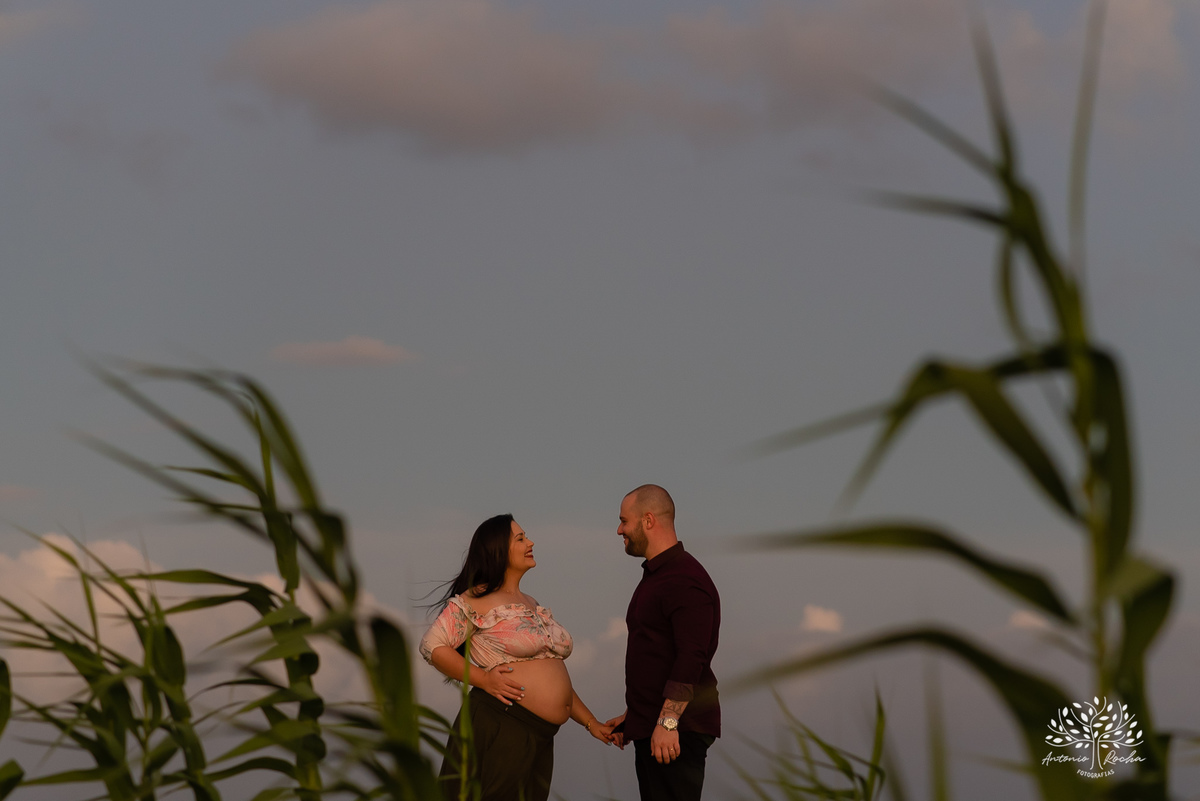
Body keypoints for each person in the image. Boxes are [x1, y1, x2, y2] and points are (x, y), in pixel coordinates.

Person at [419, 513, 614, 801]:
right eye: (520, 538)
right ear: (498, 549)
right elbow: (432, 646)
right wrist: (484, 679)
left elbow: (552, 674)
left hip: (542, 735)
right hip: (503, 722)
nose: (530, 542)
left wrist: (590, 722)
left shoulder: (532, 604)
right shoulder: (475, 600)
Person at [604, 485, 721, 801]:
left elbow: (691, 657)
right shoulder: (657, 576)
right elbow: (656, 655)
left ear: (648, 520)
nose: (619, 530)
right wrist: (635, 714)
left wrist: (668, 723)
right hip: (655, 725)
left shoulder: (683, 578)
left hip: (677, 731)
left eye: (624, 521)